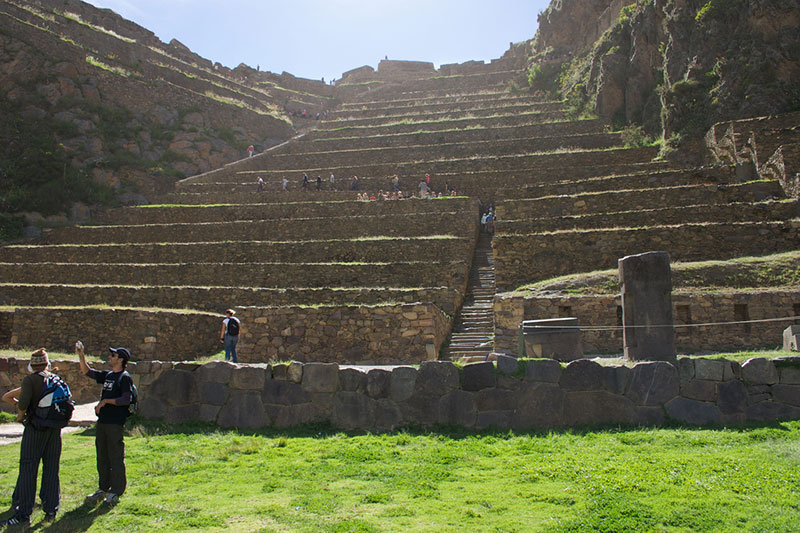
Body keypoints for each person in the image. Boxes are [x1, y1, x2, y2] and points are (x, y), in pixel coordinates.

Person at [3, 349, 63, 526]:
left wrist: (21, 414)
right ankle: (51, 508)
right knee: (51, 468)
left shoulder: (31, 380)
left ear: (32, 365)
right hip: (53, 429)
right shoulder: (55, 379)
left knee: (28, 468)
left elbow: (22, 403)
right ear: (46, 363)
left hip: (35, 428)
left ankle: (24, 513)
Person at [77, 344, 133, 506]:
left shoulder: (125, 377)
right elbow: (88, 372)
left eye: (113, 356)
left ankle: (116, 491)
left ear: (120, 359)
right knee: (102, 457)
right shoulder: (108, 375)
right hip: (102, 423)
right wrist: (81, 355)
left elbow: (126, 399)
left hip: (115, 423)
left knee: (115, 457)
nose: (109, 357)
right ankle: (103, 488)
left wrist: (105, 401)